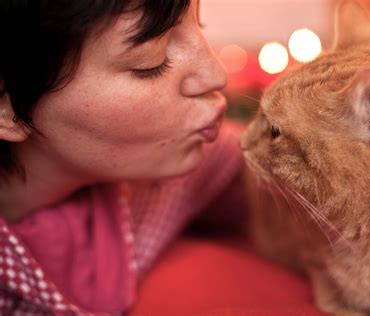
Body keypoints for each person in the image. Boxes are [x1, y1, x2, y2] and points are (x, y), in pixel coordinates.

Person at [0, 0, 244, 313]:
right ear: (7, 105)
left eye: (200, 26)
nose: (216, 74)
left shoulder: (163, 176)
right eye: (152, 62)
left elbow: (242, 164)